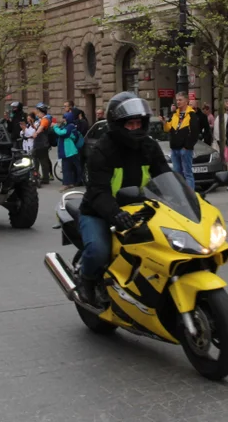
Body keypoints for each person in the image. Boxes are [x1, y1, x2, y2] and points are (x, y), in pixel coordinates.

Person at [77, 92, 171, 308]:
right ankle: (87, 281)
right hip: (100, 212)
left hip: (140, 211)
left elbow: (165, 177)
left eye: (139, 123)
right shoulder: (102, 150)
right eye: (130, 124)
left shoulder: (150, 147)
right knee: (99, 251)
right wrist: (116, 214)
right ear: (117, 124)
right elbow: (98, 191)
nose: (135, 128)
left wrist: (191, 199)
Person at [164, 92, 202, 189]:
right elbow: (168, 129)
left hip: (185, 149)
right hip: (174, 148)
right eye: (177, 100)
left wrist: (187, 147)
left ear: (186, 101)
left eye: (180, 100)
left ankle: (190, 195)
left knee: (187, 173)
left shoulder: (191, 115)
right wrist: (164, 123)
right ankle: (181, 194)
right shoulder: (175, 114)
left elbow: (194, 133)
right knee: (177, 173)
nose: (178, 102)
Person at [53, 111, 83, 190]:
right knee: (70, 167)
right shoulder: (69, 125)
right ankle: (71, 182)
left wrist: (55, 127)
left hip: (68, 151)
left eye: (65, 118)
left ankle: (66, 184)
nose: (63, 120)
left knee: (66, 168)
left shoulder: (70, 126)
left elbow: (62, 133)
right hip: (70, 151)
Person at [31, 103, 53, 186]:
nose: (36, 112)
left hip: (42, 144)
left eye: (37, 110)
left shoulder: (45, 119)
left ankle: (39, 178)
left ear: (41, 111)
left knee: (39, 161)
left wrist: (36, 133)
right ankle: (43, 178)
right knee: (41, 160)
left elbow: (41, 127)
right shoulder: (41, 119)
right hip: (39, 143)